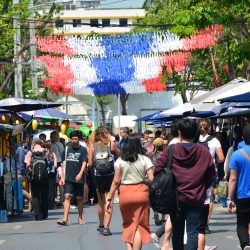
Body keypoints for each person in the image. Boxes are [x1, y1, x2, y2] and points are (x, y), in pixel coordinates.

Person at [155, 119, 216, 250]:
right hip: (196, 198)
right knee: (193, 232)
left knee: (177, 232)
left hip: (175, 198)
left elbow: (157, 169)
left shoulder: (171, 149)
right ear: (196, 133)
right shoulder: (203, 151)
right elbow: (211, 175)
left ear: (180, 132)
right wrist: (202, 186)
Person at [106, 133, 154, 250]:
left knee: (128, 224)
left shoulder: (120, 161)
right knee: (139, 226)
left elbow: (116, 181)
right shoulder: (145, 159)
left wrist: (109, 197)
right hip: (142, 192)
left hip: (126, 193)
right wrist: (144, 180)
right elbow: (152, 179)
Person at [88, 126, 120, 236]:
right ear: (107, 134)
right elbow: (119, 156)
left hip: (98, 176)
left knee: (101, 202)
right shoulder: (112, 144)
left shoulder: (92, 146)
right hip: (110, 175)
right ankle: (107, 227)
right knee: (109, 201)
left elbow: (90, 164)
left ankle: (101, 224)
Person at [57, 130, 88, 226]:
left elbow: (84, 162)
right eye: (72, 139)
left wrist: (80, 173)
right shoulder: (66, 149)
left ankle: (80, 218)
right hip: (68, 177)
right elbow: (63, 163)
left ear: (79, 139)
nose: (74, 140)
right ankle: (65, 219)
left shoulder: (83, 150)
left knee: (79, 198)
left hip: (79, 178)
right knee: (67, 197)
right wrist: (62, 176)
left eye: (76, 139)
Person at [228, 125, 250, 250]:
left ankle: (245, 243)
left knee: (241, 223)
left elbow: (233, 178)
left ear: (243, 138)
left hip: (242, 195)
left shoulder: (236, 155)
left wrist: (230, 198)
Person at [24, 138, 49, 221]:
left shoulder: (30, 152)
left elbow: (27, 165)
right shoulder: (45, 151)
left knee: (35, 195)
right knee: (44, 194)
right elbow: (49, 162)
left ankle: (37, 215)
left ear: (33, 144)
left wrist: (29, 173)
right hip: (44, 176)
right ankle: (44, 214)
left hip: (34, 177)